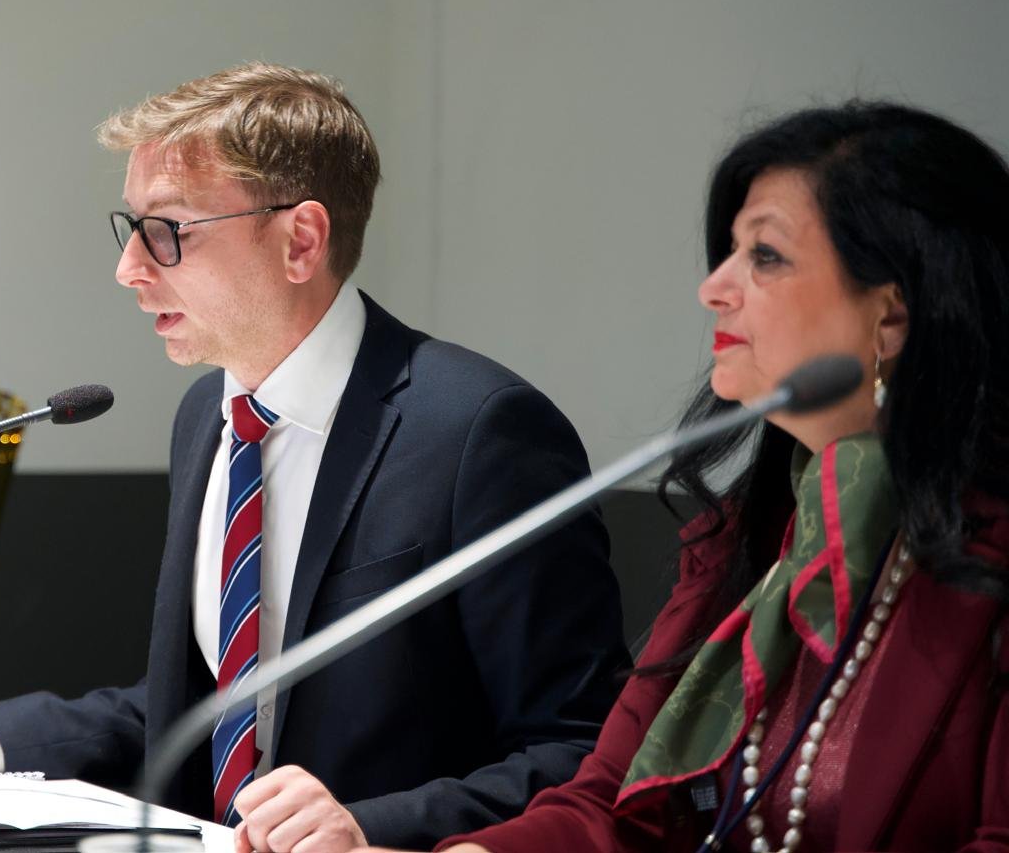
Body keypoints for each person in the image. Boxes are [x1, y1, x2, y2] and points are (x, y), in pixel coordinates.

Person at [0, 63, 630, 851]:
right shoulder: (206, 418)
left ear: (301, 240)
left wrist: (368, 827)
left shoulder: (480, 432)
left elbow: (582, 751)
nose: (129, 269)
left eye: (168, 230)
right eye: (132, 228)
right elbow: (211, 705)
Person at [413, 102, 1009, 853]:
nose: (713, 289)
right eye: (729, 252)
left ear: (891, 316)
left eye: (765, 256)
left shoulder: (990, 570)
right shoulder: (744, 545)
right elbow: (607, 809)